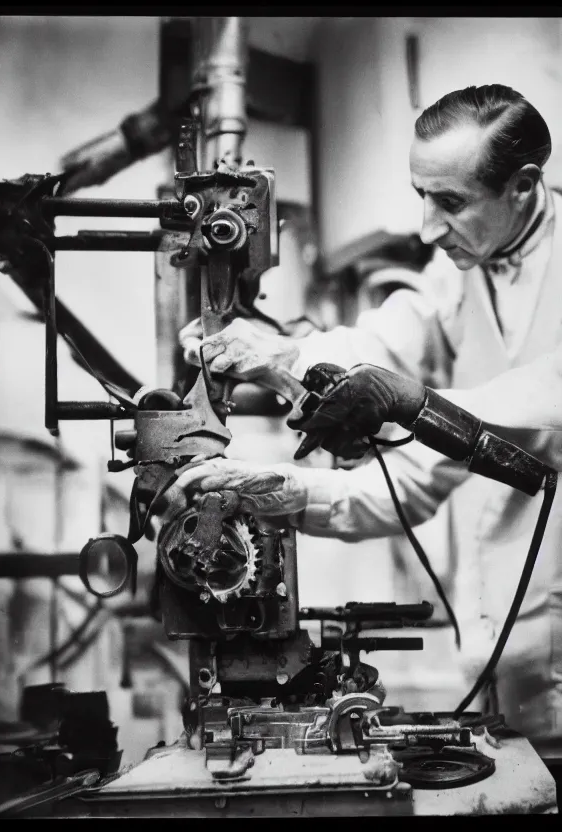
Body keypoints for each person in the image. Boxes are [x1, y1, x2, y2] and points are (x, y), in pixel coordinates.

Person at [173, 85, 562, 762]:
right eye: (421, 195)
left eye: (450, 201)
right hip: (500, 656)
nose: (426, 229)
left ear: (524, 186)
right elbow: (400, 403)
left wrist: (411, 401)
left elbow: (541, 395)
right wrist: (285, 374)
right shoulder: (463, 276)